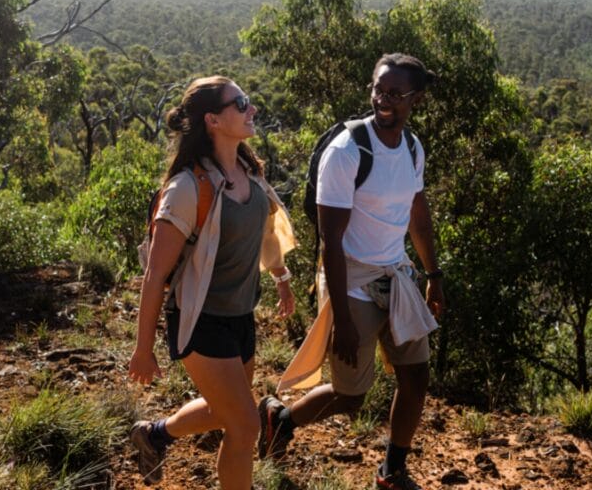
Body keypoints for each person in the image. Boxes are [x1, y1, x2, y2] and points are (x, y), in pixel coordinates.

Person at [258, 53, 445, 490]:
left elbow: (417, 217)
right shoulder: (346, 152)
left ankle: (392, 471)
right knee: (352, 395)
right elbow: (331, 242)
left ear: (415, 99)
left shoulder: (413, 148)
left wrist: (434, 276)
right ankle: (280, 418)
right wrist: (340, 318)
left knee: (416, 376)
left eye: (396, 93)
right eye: (379, 89)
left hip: (396, 277)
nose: (384, 99)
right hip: (352, 280)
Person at [128, 76, 297, 489]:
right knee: (245, 427)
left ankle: (154, 434)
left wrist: (281, 277)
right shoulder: (188, 188)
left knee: (226, 413)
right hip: (200, 319)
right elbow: (155, 276)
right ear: (213, 121)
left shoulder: (248, 170)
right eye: (240, 103)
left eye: (248, 101)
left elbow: (265, 230)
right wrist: (143, 348)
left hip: (240, 315)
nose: (251, 109)